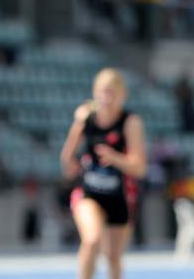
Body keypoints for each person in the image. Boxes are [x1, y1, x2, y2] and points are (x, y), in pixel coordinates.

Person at [60, 68, 147, 279]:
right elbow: (66, 157)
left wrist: (115, 158)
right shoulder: (86, 119)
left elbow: (140, 167)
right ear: (95, 93)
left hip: (120, 196)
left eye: (112, 93)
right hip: (89, 192)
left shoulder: (130, 122)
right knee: (91, 240)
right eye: (103, 92)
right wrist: (72, 167)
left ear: (122, 95)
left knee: (113, 256)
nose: (107, 98)